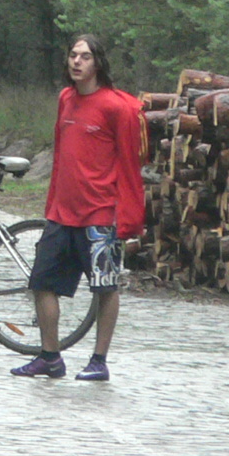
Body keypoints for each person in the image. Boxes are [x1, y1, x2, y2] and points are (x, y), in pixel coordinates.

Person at [11, 34, 145, 381]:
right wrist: (51, 201)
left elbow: (130, 164)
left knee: (105, 287)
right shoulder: (65, 99)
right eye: (72, 55)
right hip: (62, 214)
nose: (76, 62)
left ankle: (99, 360)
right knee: (41, 283)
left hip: (100, 214)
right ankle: (49, 356)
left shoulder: (118, 106)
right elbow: (60, 157)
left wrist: (129, 218)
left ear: (98, 62)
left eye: (84, 57)